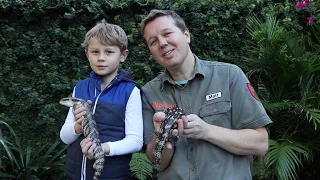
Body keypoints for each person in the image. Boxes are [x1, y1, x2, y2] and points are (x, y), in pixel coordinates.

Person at [141, 9, 272, 179]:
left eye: (167, 33)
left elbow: (260, 144)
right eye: (153, 41)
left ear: (186, 35)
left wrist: (205, 131)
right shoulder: (148, 92)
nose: (162, 43)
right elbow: (157, 163)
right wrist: (162, 138)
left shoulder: (229, 76)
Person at [60, 19, 143, 180]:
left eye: (109, 52)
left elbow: (135, 141)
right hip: (75, 175)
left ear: (123, 55)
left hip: (113, 176)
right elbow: (64, 137)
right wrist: (78, 126)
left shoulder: (130, 91)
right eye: (95, 52)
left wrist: (103, 148)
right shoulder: (80, 88)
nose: (101, 58)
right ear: (87, 54)